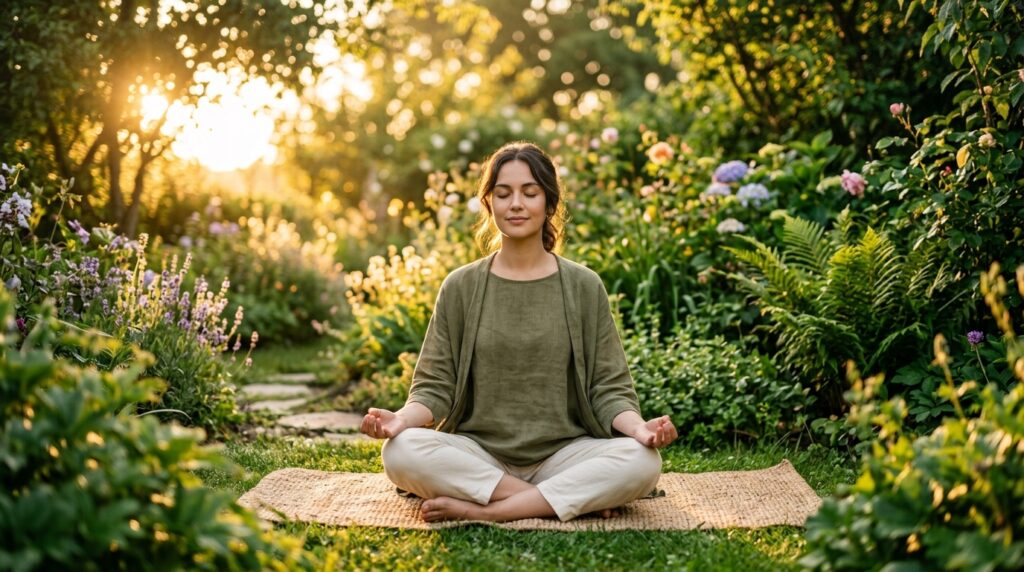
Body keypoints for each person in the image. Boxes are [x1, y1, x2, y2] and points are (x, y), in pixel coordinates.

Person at [359, 141, 678, 523]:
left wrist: (640, 429)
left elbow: (608, 387)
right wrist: (400, 420)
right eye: (503, 193)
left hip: (565, 455)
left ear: (549, 202)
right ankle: (557, 500)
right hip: (479, 455)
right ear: (489, 202)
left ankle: (488, 511)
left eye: (530, 193)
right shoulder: (461, 286)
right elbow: (435, 386)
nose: (516, 204)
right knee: (400, 451)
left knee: (641, 461)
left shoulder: (583, 286)